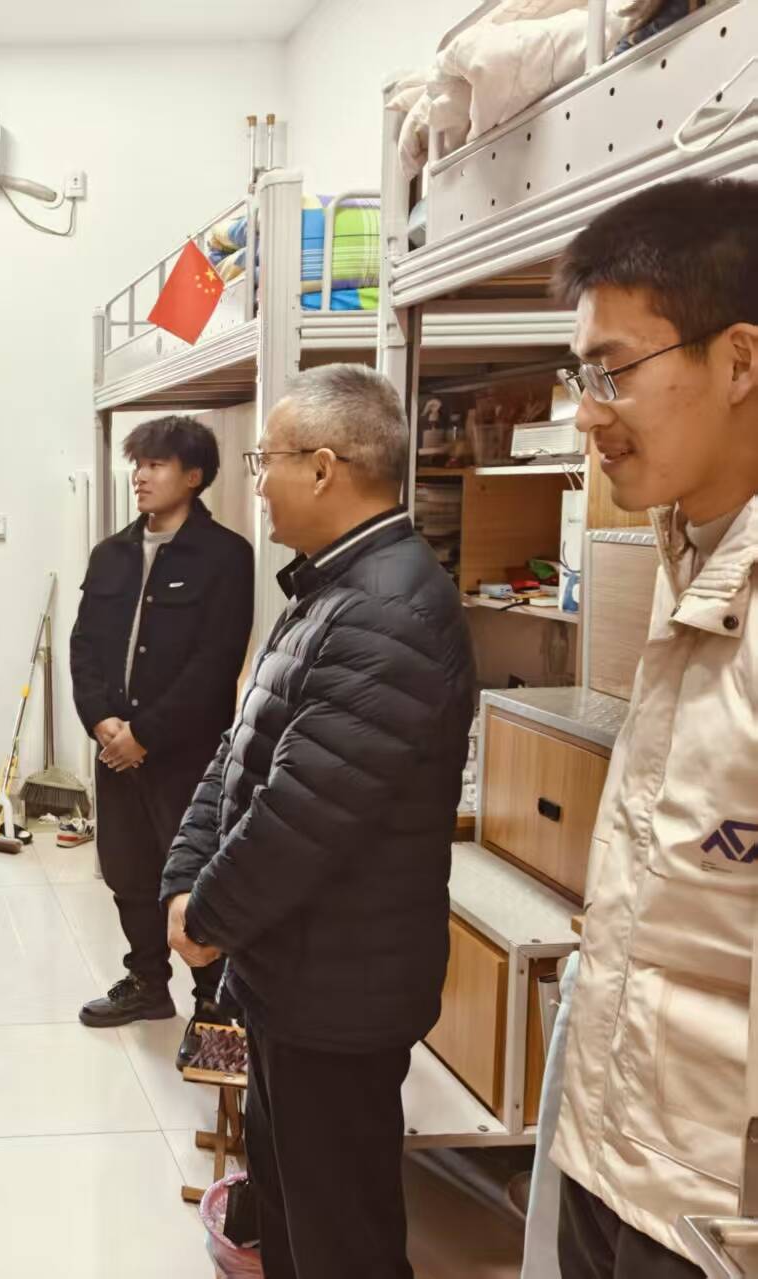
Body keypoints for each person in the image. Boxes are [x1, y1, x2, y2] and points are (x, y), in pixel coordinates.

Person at [161, 363, 476, 1279]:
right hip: (297, 976)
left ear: (325, 467)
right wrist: (184, 876)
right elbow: (241, 751)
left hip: (341, 990)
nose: (257, 481)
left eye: (265, 459)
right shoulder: (329, 590)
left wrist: (207, 914)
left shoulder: (387, 611)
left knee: (342, 1239)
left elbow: (300, 817)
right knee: (293, 1218)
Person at [548, 176, 758, 1279]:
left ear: (738, 360)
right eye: (579, 377)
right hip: (619, 1152)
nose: (588, 414)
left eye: (613, 371)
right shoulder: (689, 550)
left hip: (715, 1209)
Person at [69, 414, 253, 1062]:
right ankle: (147, 982)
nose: (140, 476)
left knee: (194, 873)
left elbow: (215, 663)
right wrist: (101, 720)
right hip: (115, 749)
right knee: (127, 869)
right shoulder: (111, 554)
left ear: (193, 475)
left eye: (156, 464)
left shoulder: (226, 556)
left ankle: (213, 999)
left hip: (186, 755)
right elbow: (84, 646)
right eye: (137, 464)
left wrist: (144, 733)